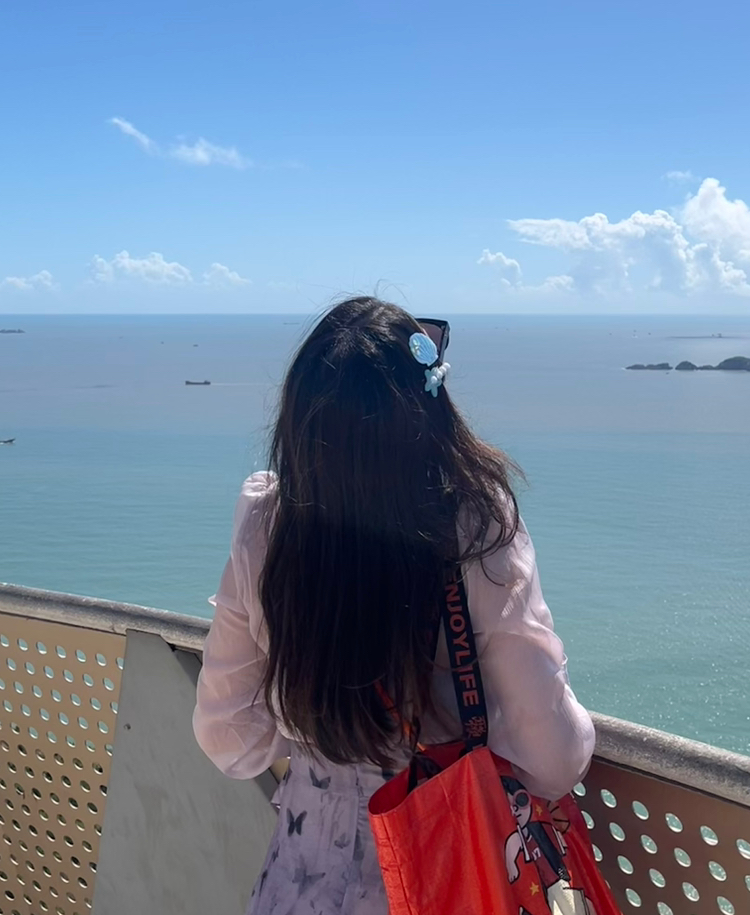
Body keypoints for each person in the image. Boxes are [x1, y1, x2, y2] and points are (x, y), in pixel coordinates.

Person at [193, 297, 595, 914]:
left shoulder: (267, 527)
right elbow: (553, 758)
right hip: (448, 880)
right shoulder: (474, 525)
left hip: (295, 891)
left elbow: (230, 739)